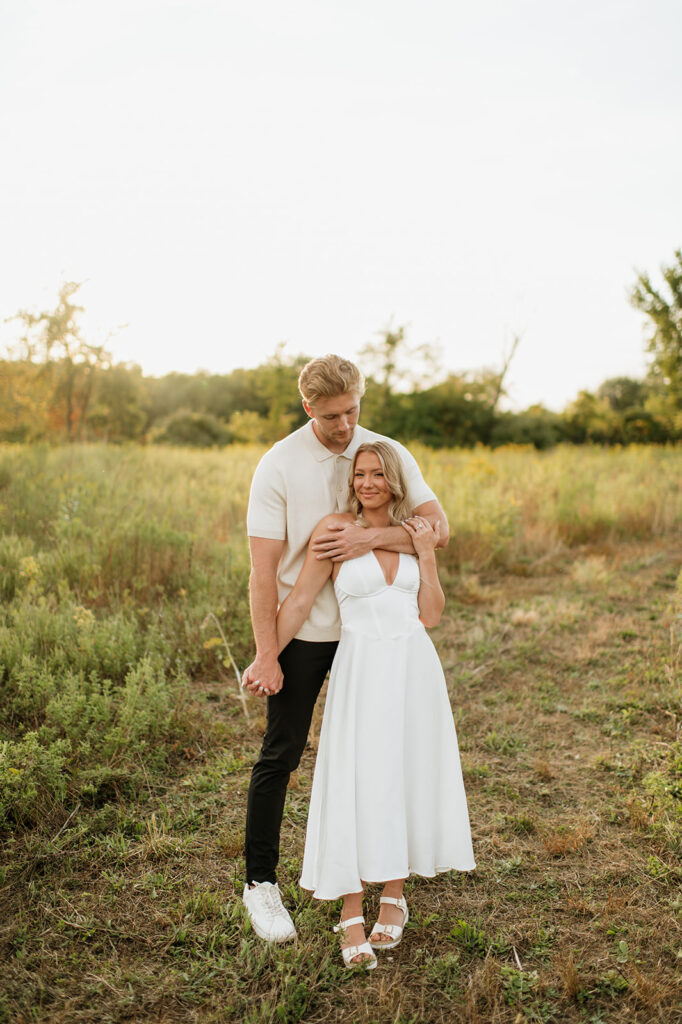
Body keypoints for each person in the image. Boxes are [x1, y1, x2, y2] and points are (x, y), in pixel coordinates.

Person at [241, 354, 449, 943]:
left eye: (353, 410)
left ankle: (388, 880)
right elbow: (263, 574)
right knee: (280, 753)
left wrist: (368, 537)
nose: (344, 425)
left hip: (376, 637)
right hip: (305, 629)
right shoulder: (278, 465)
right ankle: (261, 886)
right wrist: (265, 653)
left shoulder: (384, 449)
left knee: (387, 755)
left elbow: (439, 529)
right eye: (331, 416)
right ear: (308, 407)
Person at [274, 441, 475, 967]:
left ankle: (393, 896)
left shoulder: (414, 532)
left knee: (403, 773)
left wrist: (426, 553)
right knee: (356, 779)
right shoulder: (336, 530)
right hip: (360, 668)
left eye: (378, 475)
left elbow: (430, 614)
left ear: (395, 482)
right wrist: (264, 655)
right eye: (360, 474)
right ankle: (350, 907)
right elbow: (298, 600)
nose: (368, 483)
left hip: (412, 667)